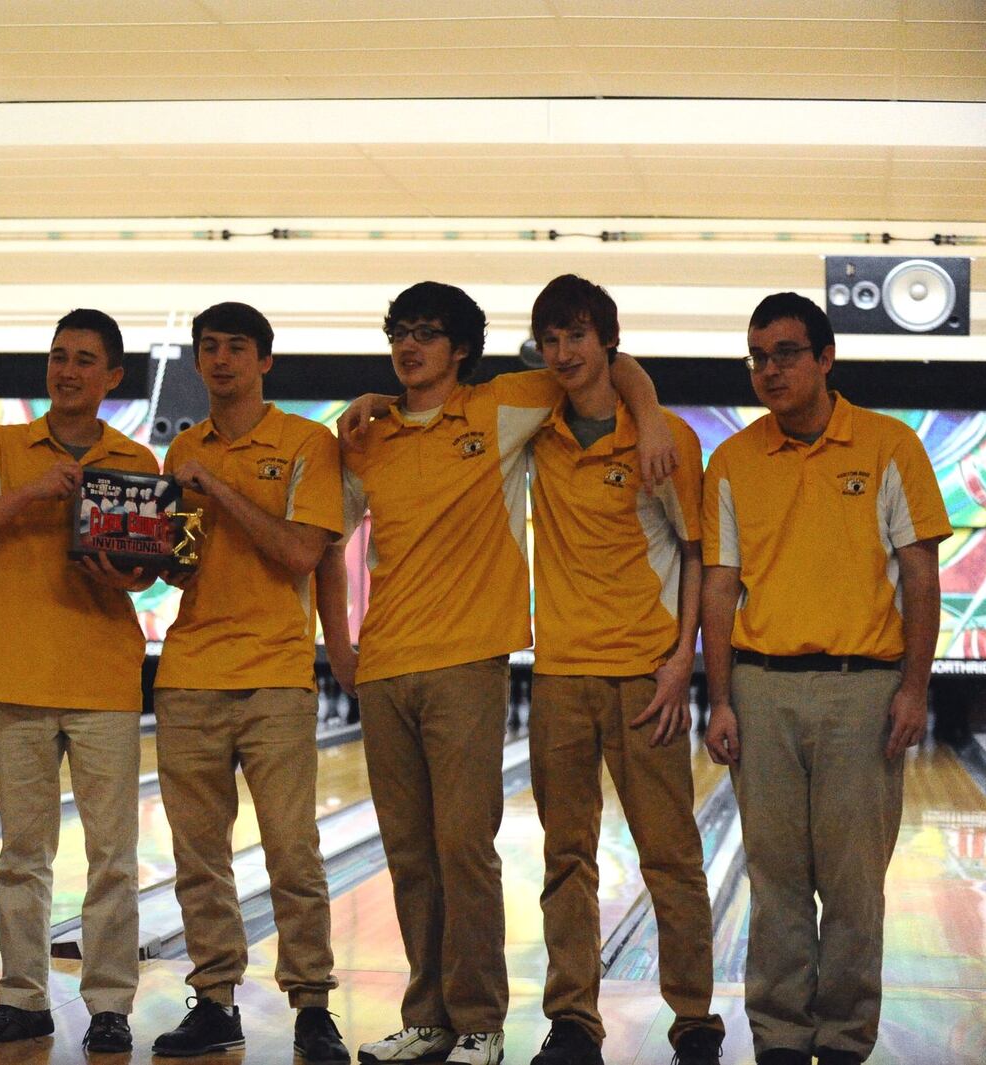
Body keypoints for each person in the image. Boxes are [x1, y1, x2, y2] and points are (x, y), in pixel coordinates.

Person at [321, 281, 674, 1065]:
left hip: (467, 663)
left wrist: (648, 417)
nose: (410, 346)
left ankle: (479, 1021)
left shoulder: (503, 406)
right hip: (384, 664)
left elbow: (614, 366)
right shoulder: (365, 435)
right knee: (409, 853)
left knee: (463, 847)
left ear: (462, 350)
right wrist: (337, 644)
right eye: (400, 333)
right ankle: (428, 1017)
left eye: (427, 334)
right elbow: (321, 539)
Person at [701, 293, 947, 1065]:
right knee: (773, 880)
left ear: (825, 357)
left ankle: (842, 1038)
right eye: (757, 356)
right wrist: (720, 696)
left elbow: (920, 574)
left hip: (862, 689)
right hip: (762, 686)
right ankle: (778, 1036)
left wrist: (915, 686)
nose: (768, 369)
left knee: (850, 886)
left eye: (784, 352)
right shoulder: (734, 459)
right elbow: (718, 583)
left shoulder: (888, 445)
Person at [0, 309, 155, 1055]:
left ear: (112, 377)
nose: (67, 370)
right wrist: (28, 494)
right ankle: (25, 998)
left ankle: (109, 1003)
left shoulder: (135, 460)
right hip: (19, 679)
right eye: (58, 356)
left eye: (85, 359)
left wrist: (124, 573)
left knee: (112, 858)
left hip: (105, 682)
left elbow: (146, 571)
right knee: (21, 856)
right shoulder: (2, 447)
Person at [522, 276, 723, 1065]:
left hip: (645, 673)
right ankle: (573, 1018)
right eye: (551, 338)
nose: (564, 352)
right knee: (564, 855)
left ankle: (695, 1018)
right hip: (559, 676)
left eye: (577, 335)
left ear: (607, 339)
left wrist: (683, 662)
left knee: (670, 853)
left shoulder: (666, 438)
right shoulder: (536, 426)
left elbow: (699, 553)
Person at [148, 302, 349, 1063]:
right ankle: (213, 1000)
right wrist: (137, 558)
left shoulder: (306, 443)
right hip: (190, 672)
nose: (221, 359)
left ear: (265, 360)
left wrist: (221, 489)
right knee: (199, 855)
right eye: (209, 348)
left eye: (236, 347)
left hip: (274, 675)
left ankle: (312, 1006)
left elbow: (300, 553)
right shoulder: (184, 451)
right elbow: (183, 563)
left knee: (292, 851)